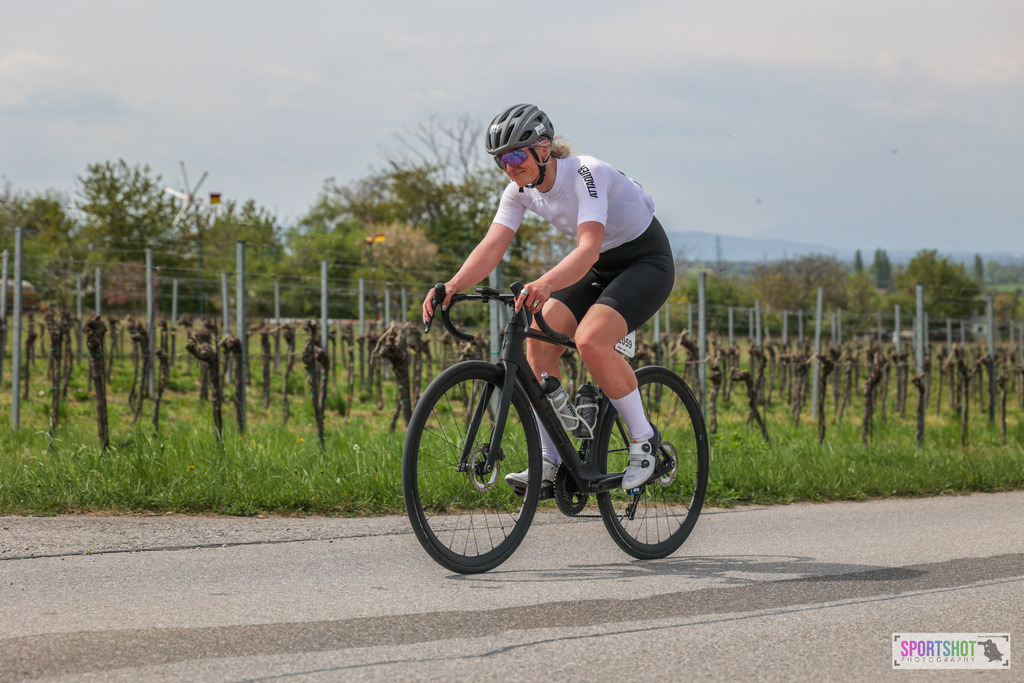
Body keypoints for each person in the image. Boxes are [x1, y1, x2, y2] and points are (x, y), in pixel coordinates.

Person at [421, 103, 674, 492]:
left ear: (543, 149)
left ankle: (645, 441)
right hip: (597, 265)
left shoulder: (586, 174)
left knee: (591, 340)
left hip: (645, 261)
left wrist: (544, 283)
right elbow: (492, 246)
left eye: (515, 156)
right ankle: (549, 461)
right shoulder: (519, 192)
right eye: (501, 160)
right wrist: (453, 285)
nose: (509, 167)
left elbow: (588, 248)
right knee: (537, 345)